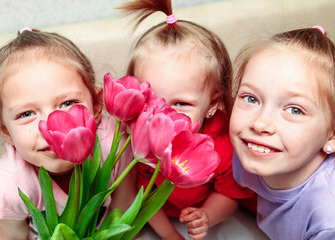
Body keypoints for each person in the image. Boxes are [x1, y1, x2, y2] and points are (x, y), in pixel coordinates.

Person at [0, 28, 136, 239]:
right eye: (26, 113)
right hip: (10, 198)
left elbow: (124, 205)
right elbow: (12, 236)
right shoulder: (9, 185)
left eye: (68, 103)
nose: (50, 126)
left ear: (97, 106)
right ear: (5, 131)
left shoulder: (115, 144)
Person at [118, 1, 256, 239]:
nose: (163, 114)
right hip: (158, 214)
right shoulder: (138, 136)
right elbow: (139, 195)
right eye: (151, 99)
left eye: (181, 104)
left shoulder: (223, 141)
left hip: (203, 207)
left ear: (212, 105)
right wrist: (169, 234)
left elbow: (230, 192)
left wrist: (207, 215)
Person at [230, 26, 335, 239]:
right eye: (251, 98)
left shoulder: (327, 217)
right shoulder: (250, 150)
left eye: (295, 110)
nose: (260, 124)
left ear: (331, 136)